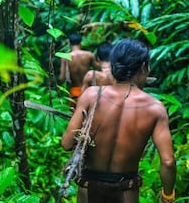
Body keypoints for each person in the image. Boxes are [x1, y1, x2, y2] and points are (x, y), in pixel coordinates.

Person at [61, 39, 176, 203]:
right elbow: (168, 161)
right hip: (125, 191)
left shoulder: (91, 95)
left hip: (88, 188)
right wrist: (168, 196)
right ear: (143, 67)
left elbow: (66, 143)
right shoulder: (154, 108)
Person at [59, 33, 101, 109]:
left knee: (75, 115)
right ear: (81, 42)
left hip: (74, 92)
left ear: (69, 43)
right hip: (88, 91)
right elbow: (99, 68)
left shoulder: (65, 57)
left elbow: (62, 78)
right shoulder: (89, 55)